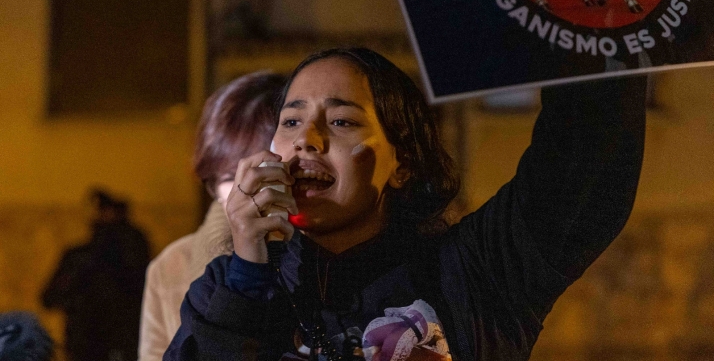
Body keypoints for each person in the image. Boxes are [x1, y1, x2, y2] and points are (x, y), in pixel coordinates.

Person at [165, 47, 647, 360]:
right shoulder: (223, 294)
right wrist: (249, 272)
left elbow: (585, 156)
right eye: (291, 122)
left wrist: (583, 25)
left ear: (404, 162)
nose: (306, 141)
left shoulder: (476, 273)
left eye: (342, 123)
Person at [138, 72, 286, 361]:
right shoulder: (172, 267)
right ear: (212, 185)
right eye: (230, 176)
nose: (248, 188)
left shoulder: (326, 258)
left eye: (263, 169)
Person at [42, 189, 150, 361]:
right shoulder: (81, 258)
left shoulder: (128, 251)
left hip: (112, 343)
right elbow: (50, 297)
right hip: (94, 344)